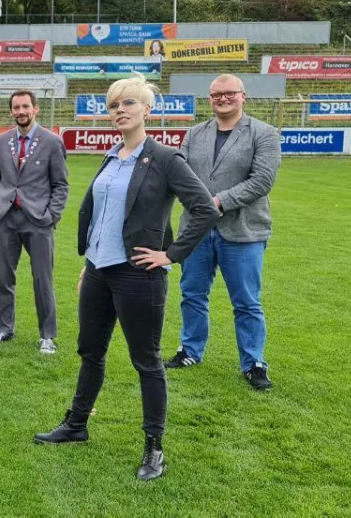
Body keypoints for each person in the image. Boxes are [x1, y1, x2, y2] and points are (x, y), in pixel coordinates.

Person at [33, 74, 220, 482]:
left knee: (147, 362)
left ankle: (154, 448)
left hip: (139, 275)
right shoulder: (113, 155)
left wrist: (170, 255)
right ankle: (77, 424)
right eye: (114, 105)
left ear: (147, 110)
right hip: (100, 272)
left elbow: (205, 209)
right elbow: (104, 216)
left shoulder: (166, 159)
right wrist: (90, 262)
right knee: (90, 352)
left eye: (128, 104)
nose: (119, 111)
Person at [165, 74, 281, 390]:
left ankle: (254, 363)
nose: (223, 98)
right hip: (196, 231)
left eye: (229, 93)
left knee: (246, 301)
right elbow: (180, 176)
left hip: (243, 231)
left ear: (243, 96)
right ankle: (189, 350)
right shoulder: (194, 133)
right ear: (210, 98)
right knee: (192, 294)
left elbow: (262, 181)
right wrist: (200, 205)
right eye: (217, 94)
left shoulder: (264, 133)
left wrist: (216, 202)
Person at [0, 89, 69, 352]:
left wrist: (51, 216)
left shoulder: (52, 141)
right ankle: (4, 330)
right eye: (16, 107)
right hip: (6, 219)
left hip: (38, 221)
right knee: (3, 278)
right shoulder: (1, 142)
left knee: (42, 279)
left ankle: (47, 336)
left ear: (35, 109)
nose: (21, 111)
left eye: (25, 107)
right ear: (11, 111)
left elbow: (61, 185)